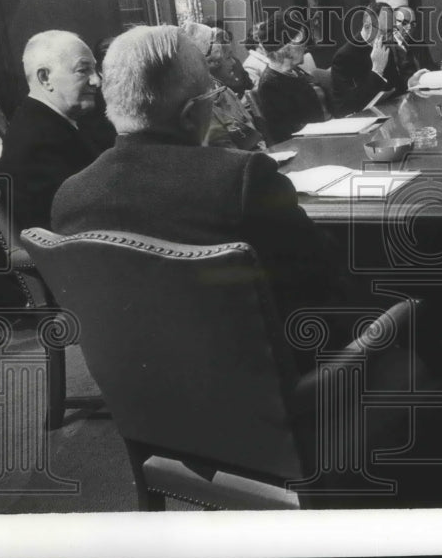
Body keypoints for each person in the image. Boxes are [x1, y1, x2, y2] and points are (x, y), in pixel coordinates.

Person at [50, 25, 348, 338]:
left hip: (134, 383)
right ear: (191, 114)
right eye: (212, 96)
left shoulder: (69, 198)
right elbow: (321, 274)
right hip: (274, 374)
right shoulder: (243, 179)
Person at [0, 30, 109, 230]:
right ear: (45, 78)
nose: (96, 81)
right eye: (83, 70)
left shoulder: (57, 123)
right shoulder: (35, 142)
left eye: (96, 70)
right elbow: (72, 221)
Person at [181, 22, 267, 150]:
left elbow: (253, 135)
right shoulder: (196, 106)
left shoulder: (225, 92)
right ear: (209, 64)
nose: (234, 62)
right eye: (228, 57)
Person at [330, 2, 423, 117]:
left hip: (386, 116)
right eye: (384, 32)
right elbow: (345, 107)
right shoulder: (344, 56)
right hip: (361, 122)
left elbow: (395, 87)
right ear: (367, 26)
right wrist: (377, 71)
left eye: (390, 31)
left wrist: (410, 82)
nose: (388, 38)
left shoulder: (385, 45)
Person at [251, 16, 325, 144]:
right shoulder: (270, 85)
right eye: (300, 39)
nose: (305, 45)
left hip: (323, 137)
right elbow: (288, 134)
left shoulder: (294, 72)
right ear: (287, 47)